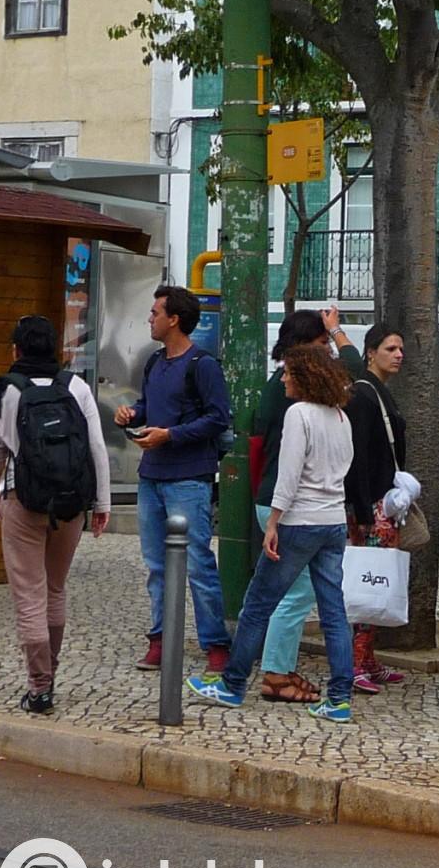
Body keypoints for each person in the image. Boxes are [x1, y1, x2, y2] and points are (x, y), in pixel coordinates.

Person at [188, 346, 356, 723]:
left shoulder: (299, 414)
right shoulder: (341, 417)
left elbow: (289, 473)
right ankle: (339, 698)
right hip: (332, 520)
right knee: (333, 612)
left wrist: (274, 522)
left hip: (299, 520)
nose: (283, 380)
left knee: (258, 603)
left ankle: (232, 684)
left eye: (288, 373)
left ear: (305, 377)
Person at [0, 315, 112, 714]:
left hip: (23, 501)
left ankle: (39, 688)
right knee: (55, 589)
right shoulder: (75, 386)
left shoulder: (5, 390)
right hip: (70, 504)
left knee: (29, 596)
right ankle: (49, 676)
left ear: (16, 350)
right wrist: (102, 503)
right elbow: (96, 447)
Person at [115, 285, 233, 673]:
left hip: (189, 477)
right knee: (156, 565)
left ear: (174, 319)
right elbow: (149, 405)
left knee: (198, 563)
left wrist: (171, 435)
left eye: (155, 313)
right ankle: (160, 639)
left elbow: (218, 417)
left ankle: (216, 644)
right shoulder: (154, 362)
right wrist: (133, 414)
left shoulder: (203, 365)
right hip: (151, 475)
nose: (150, 319)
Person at [246, 307, 360, 702]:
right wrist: (338, 329)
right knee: (295, 595)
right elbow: (354, 368)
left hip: (286, 502)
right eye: (322, 343)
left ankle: (278, 667)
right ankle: (275, 674)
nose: (328, 350)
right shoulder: (293, 395)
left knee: (293, 593)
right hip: (290, 505)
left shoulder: (286, 390)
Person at [343, 323, 411, 694]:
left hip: (383, 502)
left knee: (377, 579)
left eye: (400, 348)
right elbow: (358, 459)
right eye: (390, 349)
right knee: (367, 582)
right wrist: (365, 513)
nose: (399, 355)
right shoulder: (364, 395)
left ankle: (367, 659)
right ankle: (355, 663)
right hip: (370, 507)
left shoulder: (379, 392)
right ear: (371, 352)